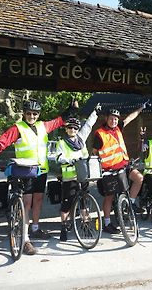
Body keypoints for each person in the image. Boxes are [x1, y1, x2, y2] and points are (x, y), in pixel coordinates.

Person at [0, 99, 77, 255]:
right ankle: (25, 239)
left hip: (41, 170)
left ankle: (35, 228)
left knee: (38, 200)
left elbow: (60, 121)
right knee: (27, 203)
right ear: (24, 114)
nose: (32, 116)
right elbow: (2, 142)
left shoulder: (43, 126)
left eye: (35, 113)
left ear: (38, 114)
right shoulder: (18, 128)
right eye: (28, 113)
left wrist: (71, 109)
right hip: (25, 171)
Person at [92, 102, 149, 234]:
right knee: (109, 197)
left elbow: (130, 118)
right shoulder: (99, 134)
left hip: (124, 165)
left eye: (116, 119)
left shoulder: (118, 128)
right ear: (106, 118)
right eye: (111, 118)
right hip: (109, 170)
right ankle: (107, 223)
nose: (114, 121)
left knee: (139, 178)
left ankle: (131, 204)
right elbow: (94, 152)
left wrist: (141, 108)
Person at [55, 103, 101, 241]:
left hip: (82, 175)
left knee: (84, 202)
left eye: (75, 128)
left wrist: (95, 112)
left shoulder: (81, 138)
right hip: (69, 178)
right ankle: (63, 227)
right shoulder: (62, 143)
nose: (72, 130)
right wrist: (68, 160)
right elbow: (58, 157)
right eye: (70, 128)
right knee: (66, 205)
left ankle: (86, 226)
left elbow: (88, 125)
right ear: (66, 129)